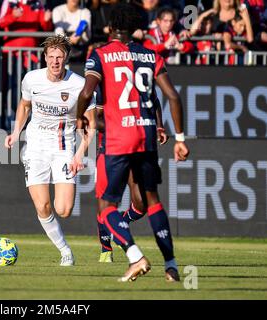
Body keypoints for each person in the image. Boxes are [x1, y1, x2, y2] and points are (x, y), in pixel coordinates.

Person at [77, 2, 190, 282]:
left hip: (118, 136)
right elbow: (173, 97)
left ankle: (134, 256)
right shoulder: (152, 55)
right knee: (152, 202)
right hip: (147, 133)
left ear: (111, 26)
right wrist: (179, 138)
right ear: (137, 26)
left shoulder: (100, 55)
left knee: (106, 209)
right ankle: (172, 266)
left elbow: (86, 92)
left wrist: (78, 117)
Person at [5, 35, 96, 266]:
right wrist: (16, 132)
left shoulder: (79, 85)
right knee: (42, 205)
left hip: (64, 147)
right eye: (51, 57)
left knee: (63, 209)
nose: (55, 62)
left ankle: (63, 245)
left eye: (60, 57)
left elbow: (91, 124)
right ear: (44, 58)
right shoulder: (31, 79)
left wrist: (80, 153)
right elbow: (24, 106)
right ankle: (65, 251)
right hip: (35, 147)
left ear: (66, 59)